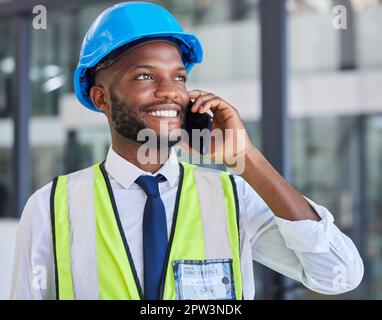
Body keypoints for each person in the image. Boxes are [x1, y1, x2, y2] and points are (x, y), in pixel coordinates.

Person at [11, 2, 363, 300]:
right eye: (146, 76)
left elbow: (339, 274)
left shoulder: (232, 197)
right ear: (101, 97)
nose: (170, 92)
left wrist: (247, 157)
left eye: (179, 77)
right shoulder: (51, 207)